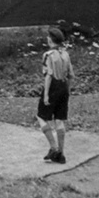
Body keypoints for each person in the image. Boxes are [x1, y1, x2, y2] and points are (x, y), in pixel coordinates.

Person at [36, 27, 72, 163]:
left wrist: (46, 95)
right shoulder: (65, 54)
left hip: (53, 87)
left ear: (50, 39)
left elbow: (49, 76)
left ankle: (54, 147)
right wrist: (67, 90)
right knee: (59, 119)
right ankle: (61, 153)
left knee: (41, 116)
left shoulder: (48, 55)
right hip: (63, 86)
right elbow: (71, 75)